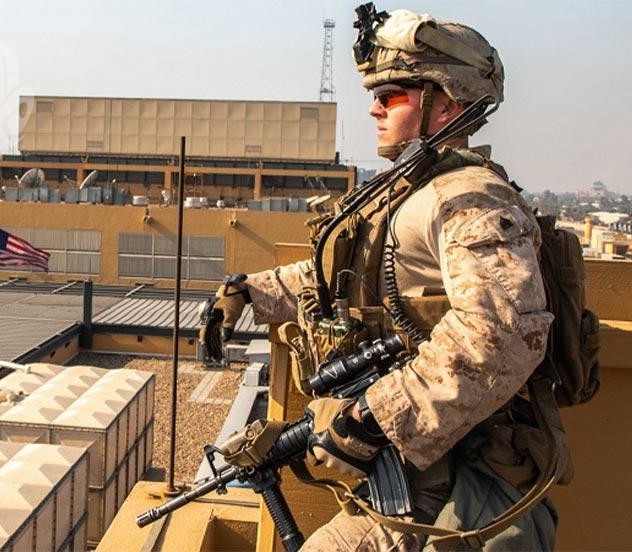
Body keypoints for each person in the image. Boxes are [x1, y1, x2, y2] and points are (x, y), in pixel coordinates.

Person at [202, 6, 569, 550]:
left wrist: (371, 418)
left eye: (392, 94)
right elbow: (340, 279)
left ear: (446, 103)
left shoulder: (468, 198)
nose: (374, 107)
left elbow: (502, 334)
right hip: (411, 470)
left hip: (455, 484)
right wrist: (248, 293)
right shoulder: (410, 194)